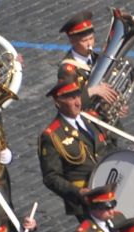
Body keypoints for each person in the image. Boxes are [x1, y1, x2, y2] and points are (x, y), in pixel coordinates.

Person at [37, 78, 113, 218]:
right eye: (72, 99)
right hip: (85, 198)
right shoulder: (52, 135)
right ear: (58, 102)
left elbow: (108, 146)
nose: (78, 102)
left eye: (78, 96)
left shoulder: (91, 119)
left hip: (108, 188)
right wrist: (78, 192)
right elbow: (51, 177)